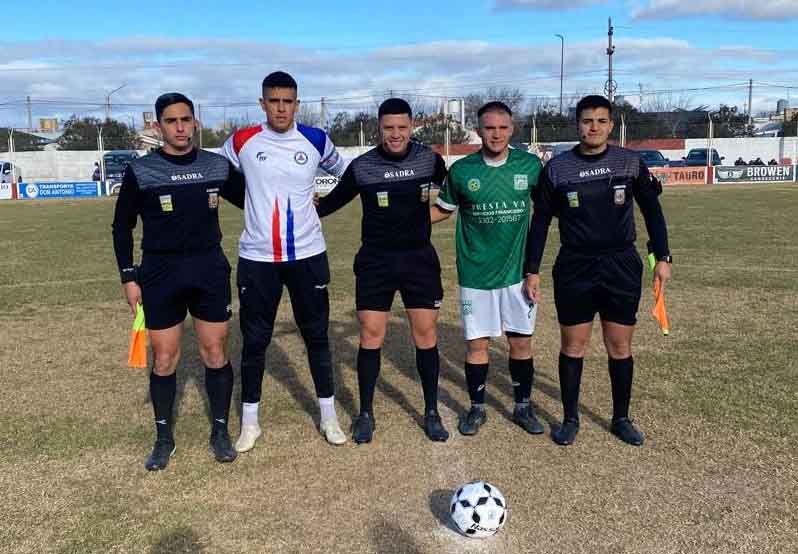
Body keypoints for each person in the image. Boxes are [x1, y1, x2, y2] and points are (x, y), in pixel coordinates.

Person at [525, 94, 671, 447]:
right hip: (575, 264)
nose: (594, 127)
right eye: (587, 121)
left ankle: (621, 418)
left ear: (611, 124)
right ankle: (570, 418)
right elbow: (542, 221)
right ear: (578, 125)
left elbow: (652, 210)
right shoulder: (557, 168)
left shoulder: (630, 162)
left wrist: (662, 258)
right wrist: (532, 269)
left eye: (601, 121)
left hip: (620, 263)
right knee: (574, 344)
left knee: (619, 344)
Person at [111, 92, 246, 470]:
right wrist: (128, 277)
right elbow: (122, 226)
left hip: (208, 269)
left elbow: (256, 196)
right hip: (159, 272)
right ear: (158, 127)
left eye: (186, 119)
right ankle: (163, 437)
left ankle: (219, 431)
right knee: (166, 358)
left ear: (195, 122)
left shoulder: (216, 167)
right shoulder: (142, 171)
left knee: (215, 353)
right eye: (171, 121)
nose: (180, 127)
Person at [221, 71, 348, 451]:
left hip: (308, 255)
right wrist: (247, 204)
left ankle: (328, 417)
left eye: (288, 101)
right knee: (255, 341)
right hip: (257, 258)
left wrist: (323, 207)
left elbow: (346, 174)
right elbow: (217, 175)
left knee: (317, 338)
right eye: (273, 101)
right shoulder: (242, 140)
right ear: (262, 103)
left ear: (297, 103)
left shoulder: (315, 139)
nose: (281, 108)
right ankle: (250, 423)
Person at [316, 98, 449, 444]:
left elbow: (454, 194)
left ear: (411, 126)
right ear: (379, 128)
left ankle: (431, 411)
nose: (395, 134)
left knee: (425, 334)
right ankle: (365, 413)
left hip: (419, 260)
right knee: (371, 335)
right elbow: (328, 205)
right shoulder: (362, 167)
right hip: (376, 262)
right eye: (389, 128)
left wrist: (424, 220)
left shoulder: (429, 160)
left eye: (402, 127)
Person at [430, 101, 544, 438]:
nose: (496, 134)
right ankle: (477, 407)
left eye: (502, 127)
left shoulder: (530, 166)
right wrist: (399, 225)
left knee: (520, 343)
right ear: (478, 130)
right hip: (475, 275)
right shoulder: (463, 171)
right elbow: (442, 210)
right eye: (489, 128)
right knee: (476, 346)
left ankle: (522, 406)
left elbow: (548, 211)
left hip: (517, 275)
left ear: (512, 129)